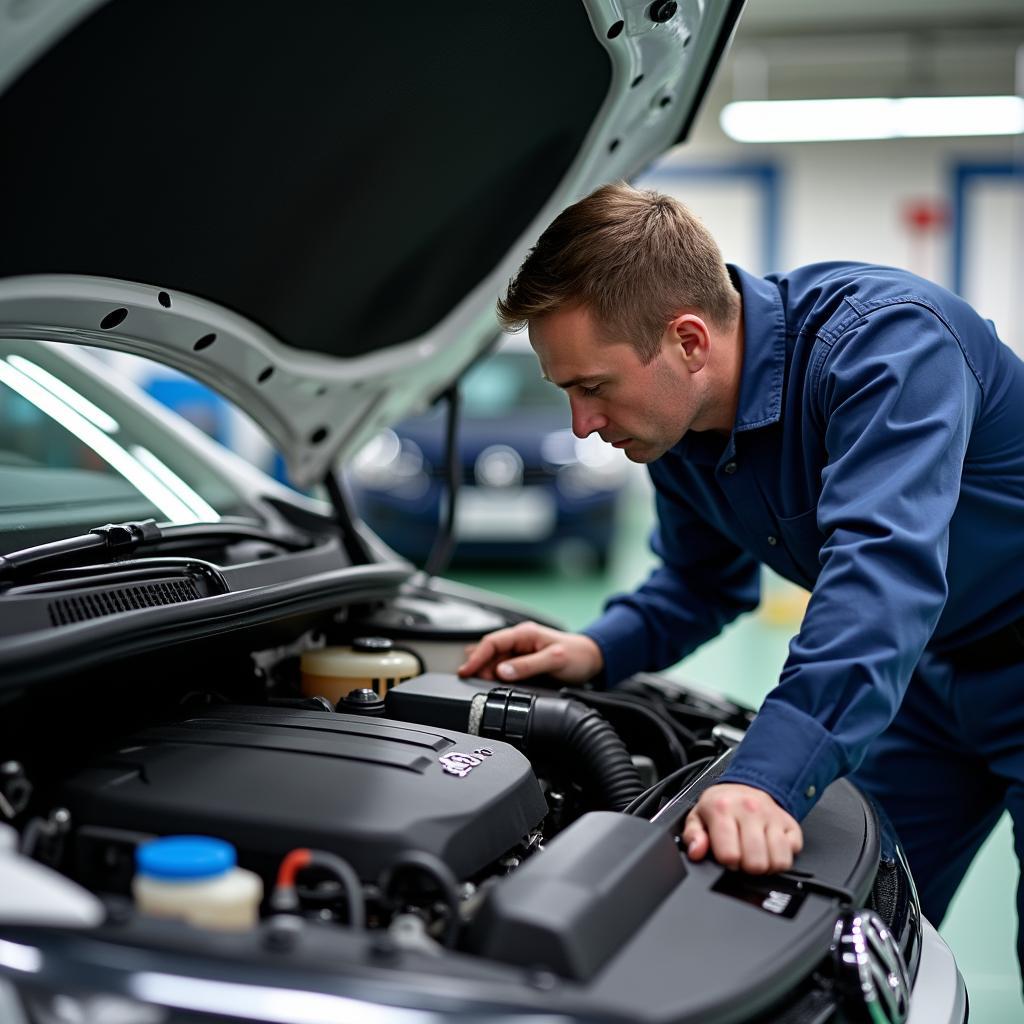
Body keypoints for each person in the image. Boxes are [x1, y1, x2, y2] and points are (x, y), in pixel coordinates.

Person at [457, 182, 1024, 969]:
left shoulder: (888, 347)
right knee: (853, 934)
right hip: (927, 680)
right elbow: (700, 585)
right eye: (566, 393)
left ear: (688, 340)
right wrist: (592, 651)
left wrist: (764, 779)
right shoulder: (678, 427)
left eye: (593, 386)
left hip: (968, 647)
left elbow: (878, 585)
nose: (582, 425)